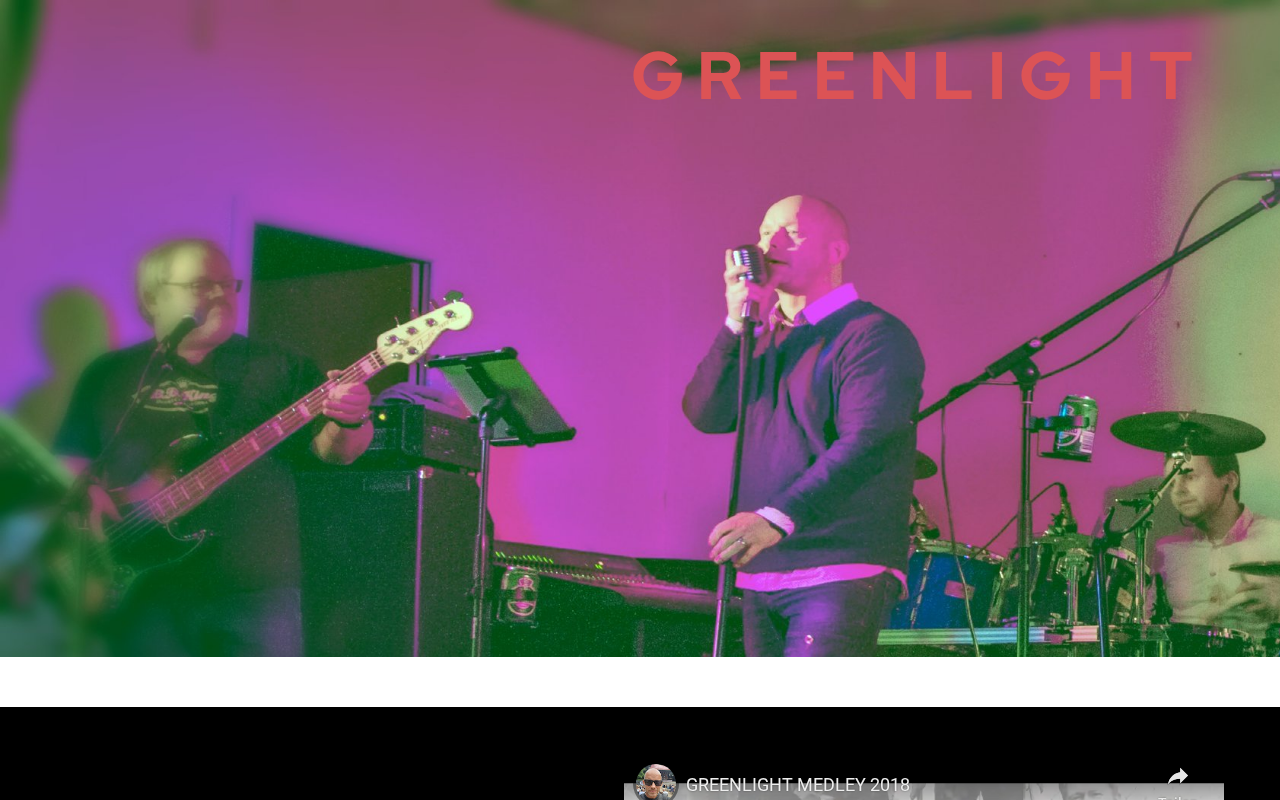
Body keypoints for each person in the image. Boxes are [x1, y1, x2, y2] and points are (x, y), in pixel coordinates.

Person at [52, 238, 373, 656]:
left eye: (228, 283)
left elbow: (340, 452)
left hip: (253, 589)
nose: (221, 294)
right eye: (203, 284)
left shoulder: (279, 364)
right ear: (153, 297)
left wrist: (351, 419)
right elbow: (72, 456)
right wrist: (87, 499)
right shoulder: (110, 372)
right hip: (139, 586)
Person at [682, 195, 925, 656]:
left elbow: (867, 441)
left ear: (836, 252)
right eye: (764, 232)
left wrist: (775, 518)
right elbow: (706, 413)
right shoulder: (761, 338)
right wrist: (735, 321)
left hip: (839, 565)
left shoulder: (873, 333)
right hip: (762, 567)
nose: (770, 243)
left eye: (791, 233)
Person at [1152, 452, 1280, 640]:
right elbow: (1145, 625)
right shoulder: (1166, 550)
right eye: (1171, 483)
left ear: (1230, 480)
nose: (1178, 491)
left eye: (1190, 477)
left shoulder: (1275, 536)